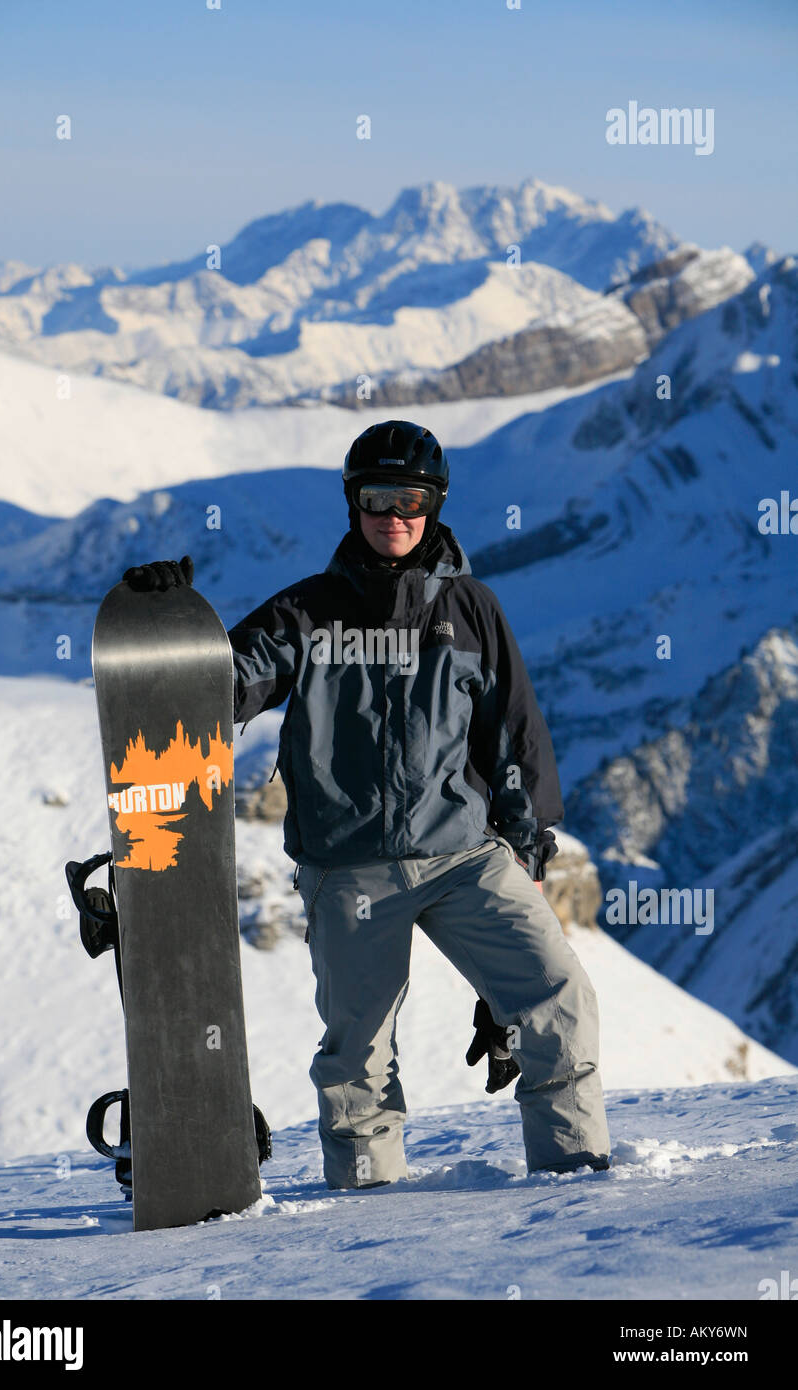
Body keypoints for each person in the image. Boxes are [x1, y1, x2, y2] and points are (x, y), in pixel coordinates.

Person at [125, 420, 610, 1188]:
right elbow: (227, 679)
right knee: (359, 1054)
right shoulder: (306, 612)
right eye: (377, 497)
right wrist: (166, 628)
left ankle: (574, 1177)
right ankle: (367, 1216)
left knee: (558, 995)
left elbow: (511, 733)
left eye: (410, 498)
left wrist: (528, 848)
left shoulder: (472, 610)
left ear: (435, 505)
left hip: (463, 855)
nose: (394, 515)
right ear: (353, 504)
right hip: (349, 867)